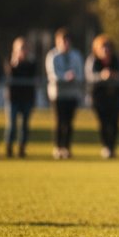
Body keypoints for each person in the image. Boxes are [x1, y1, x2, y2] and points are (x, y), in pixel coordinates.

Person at [45, 28, 84, 160]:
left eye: (67, 41)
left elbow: (80, 74)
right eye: (62, 41)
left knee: (69, 123)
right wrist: (65, 77)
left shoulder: (76, 56)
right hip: (58, 94)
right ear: (57, 42)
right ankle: (58, 147)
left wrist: (74, 77)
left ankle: (67, 147)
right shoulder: (53, 56)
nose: (65, 44)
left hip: (72, 94)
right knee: (59, 122)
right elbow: (53, 75)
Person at [86, 35, 119, 159]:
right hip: (99, 98)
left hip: (115, 97)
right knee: (104, 123)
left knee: (115, 124)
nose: (106, 50)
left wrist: (114, 76)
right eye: (103, 47)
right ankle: (106, 146)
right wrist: (101, 76)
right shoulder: (93, 61)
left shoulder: (116, 61)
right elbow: (89, 76)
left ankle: (112, 147)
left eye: (108, 47)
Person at [5, 36, 37, 158]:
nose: (23, 51)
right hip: (13, 98)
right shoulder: (10, 62)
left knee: (24, 125)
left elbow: (32, 76)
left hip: (27, 98)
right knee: (11, 124)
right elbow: (9, 75)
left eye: (25, 48)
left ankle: (22, 148)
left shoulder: (31, 63)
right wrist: (14, 63)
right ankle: (9, 147)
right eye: (21, 48)